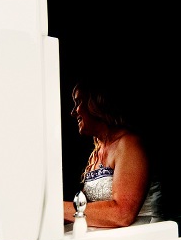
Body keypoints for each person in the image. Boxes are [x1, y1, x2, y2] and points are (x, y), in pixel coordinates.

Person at [63, 82, 161, 229]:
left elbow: (122, 214)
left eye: (78, 102)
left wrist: (57, 209)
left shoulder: (128, 144)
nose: (73, 112)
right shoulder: (95, 155)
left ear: (95, 104)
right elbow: (89, 209)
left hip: (141, 235)